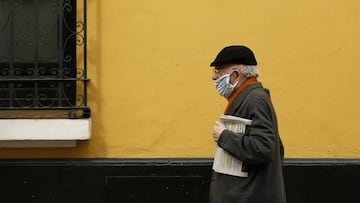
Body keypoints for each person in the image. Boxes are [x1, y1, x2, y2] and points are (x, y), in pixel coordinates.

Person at [209, 45, 287, 203]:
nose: (214, 77)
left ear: (236, 74)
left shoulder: (254, 99)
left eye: (218, 70)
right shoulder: (247, 97)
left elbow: (264, 147)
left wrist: (224, 136)